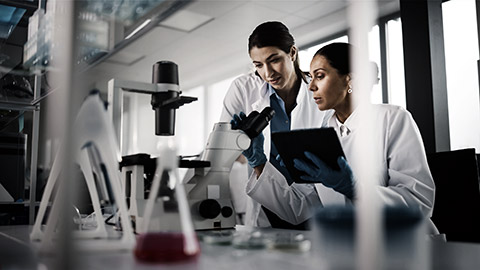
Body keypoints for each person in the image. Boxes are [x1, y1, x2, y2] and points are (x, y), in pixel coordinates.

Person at [243, 42, 438, 233]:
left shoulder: (391, 118)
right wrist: (259, 163)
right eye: (311, 77)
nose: (311, 87)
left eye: (320, 76)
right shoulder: (323, 132)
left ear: (349, 80)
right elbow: (298, 208)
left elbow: (419, 202)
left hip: (403, 246)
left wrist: (354, 188)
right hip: (349, 248)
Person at [220, 21, 331, 228]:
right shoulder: (243, 89)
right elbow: (218, 150)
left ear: (292, 53)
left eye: (274, 60)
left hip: (313, 203)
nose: (268, 73)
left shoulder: (321, 96)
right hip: (265, 205)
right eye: (258, 65)